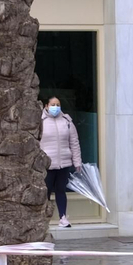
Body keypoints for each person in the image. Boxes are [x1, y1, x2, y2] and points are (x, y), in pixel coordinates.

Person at [40, 97, 83, 229]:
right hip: (46, 164)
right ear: (47, 106)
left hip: (63, 163)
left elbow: (74, 143)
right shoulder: (40, 122)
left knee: (61, 190)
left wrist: (77, 162)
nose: (55, 107)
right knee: (44, 192)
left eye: (58, 104)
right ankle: (42, 219)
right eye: (53, 104)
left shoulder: (67, 121)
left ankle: (63, 217)